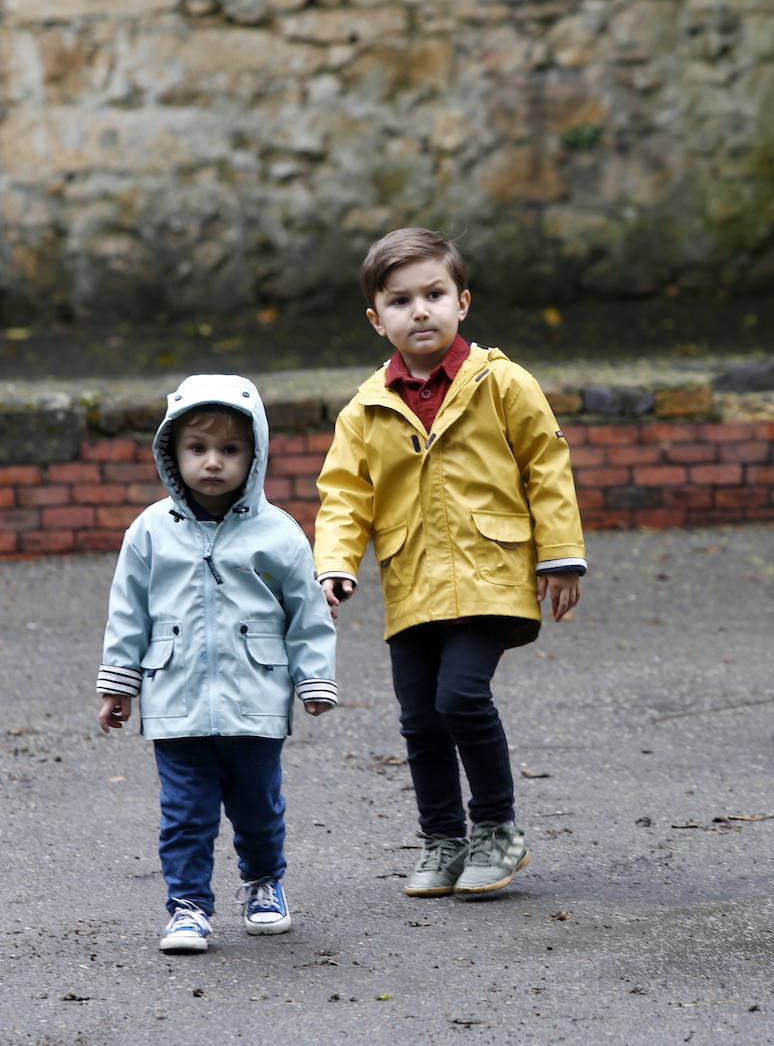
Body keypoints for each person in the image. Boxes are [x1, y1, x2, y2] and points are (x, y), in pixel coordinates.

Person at [314, 228, 585, 900]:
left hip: (493, 572)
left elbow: (546, 465)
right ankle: (442, 839)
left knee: (460, 696)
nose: (421, 311)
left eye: (434, 294)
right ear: (378, 320)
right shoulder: (367, 408)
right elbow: (345, 495)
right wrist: (335, 563)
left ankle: (496, 828)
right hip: (413, 582)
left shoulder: (501, 382)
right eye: (402, 301)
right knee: (419, 719)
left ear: (462, 301)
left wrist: (560, 555)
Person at [97, 373, 337, 953]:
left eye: (230, 450)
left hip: (255, 697)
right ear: (171, 453)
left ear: (253, 455)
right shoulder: (150, 531)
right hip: (173, 698)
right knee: (185, 815)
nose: (212, 463)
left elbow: (307, 612)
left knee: (258, 808)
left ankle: (263, 883)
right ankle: (187, 907)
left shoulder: (278, 533)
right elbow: (128, 611)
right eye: (197, 449)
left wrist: (314, 678)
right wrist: (118, 684)